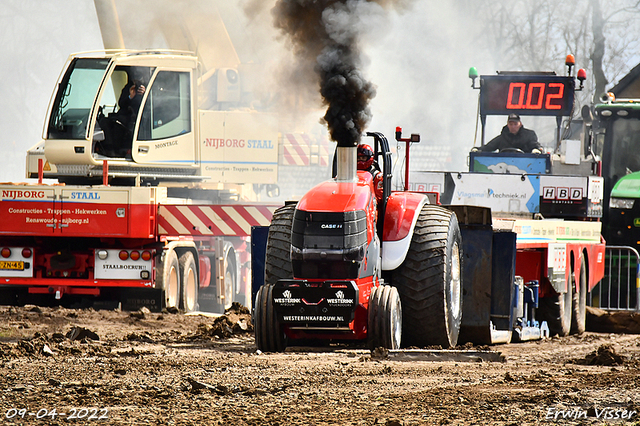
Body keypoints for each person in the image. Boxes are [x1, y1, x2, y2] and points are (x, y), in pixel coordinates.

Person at [472, 113, 543, 154]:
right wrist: (478, 150)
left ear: (520, 124)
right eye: (511, 124)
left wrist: (537, 150)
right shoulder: (502, 138)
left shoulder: (529, 136)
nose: (513, 126)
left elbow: (535, 146)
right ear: (507, 125)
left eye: (515, 124)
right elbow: (489, 147)